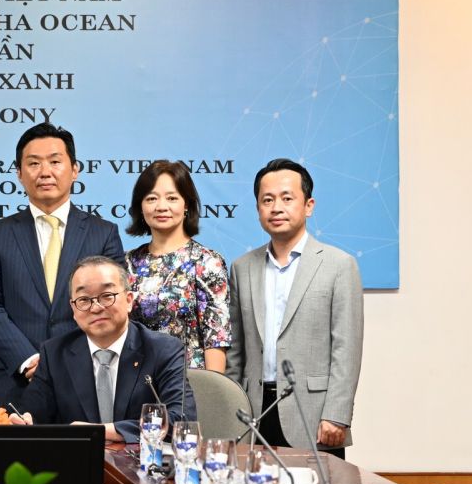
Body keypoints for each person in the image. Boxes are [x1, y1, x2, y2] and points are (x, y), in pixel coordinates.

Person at [0, 122, 125, 406]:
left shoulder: (103, 234)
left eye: (55, 161)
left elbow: (111, 304)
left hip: (84, 378)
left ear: (74, 169)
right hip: (14, 380)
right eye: (33, 163)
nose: (45, 172)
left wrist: (66, 360)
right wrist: (28, 360)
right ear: (19, 173)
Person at [225, 158, 364, 458]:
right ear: (258, 209)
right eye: (267, 200)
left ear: (308, 206)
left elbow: (347, 349)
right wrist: (230, 412)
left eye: (287, 198)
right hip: (253, 414)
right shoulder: (241, 268)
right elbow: (236, 352)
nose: (276, 207)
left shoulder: (339, 265)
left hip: (313, 416)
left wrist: (337, 414)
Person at [23, 255, 190, 442]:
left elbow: (180, 420)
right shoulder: (54, 353)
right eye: (84, 299)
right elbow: (34, 416)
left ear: (129, 300)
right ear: (73, 309)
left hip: (140, 459)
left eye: (107, 296)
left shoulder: (163, 350)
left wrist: (101, 431)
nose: (95, 308)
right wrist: (25, 421)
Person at [123, 160, 232, 371]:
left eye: (172, 198)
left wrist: (213, 389)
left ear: (186, 205)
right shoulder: (127, 263)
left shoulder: (207, 262)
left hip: (189, 383)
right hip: (136, 380)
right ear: (140, 207)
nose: (161, 206)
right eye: (151, 198)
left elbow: (215, 339)